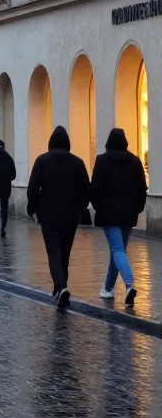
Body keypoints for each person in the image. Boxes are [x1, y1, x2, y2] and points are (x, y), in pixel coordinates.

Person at [26, 126, 91, 310]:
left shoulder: (42, 161)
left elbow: (32, 189)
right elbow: (86, 187)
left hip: (48, 214)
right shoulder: (77, 162)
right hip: (70, 214)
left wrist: (32, 209)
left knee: (53, 251)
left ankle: (61, 287)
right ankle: (61, 286)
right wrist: (82, 205)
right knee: (65, 251)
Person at [91, 128, 147, 307]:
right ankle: (108, 289)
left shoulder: (102, 161)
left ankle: (130, 285)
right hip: (128, 213)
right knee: (118, 250)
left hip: (109, 213)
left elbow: (95, 188)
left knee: (117, 250)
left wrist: (98, 207)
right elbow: (142, 189)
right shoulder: (135, 161)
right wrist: (138, 208)